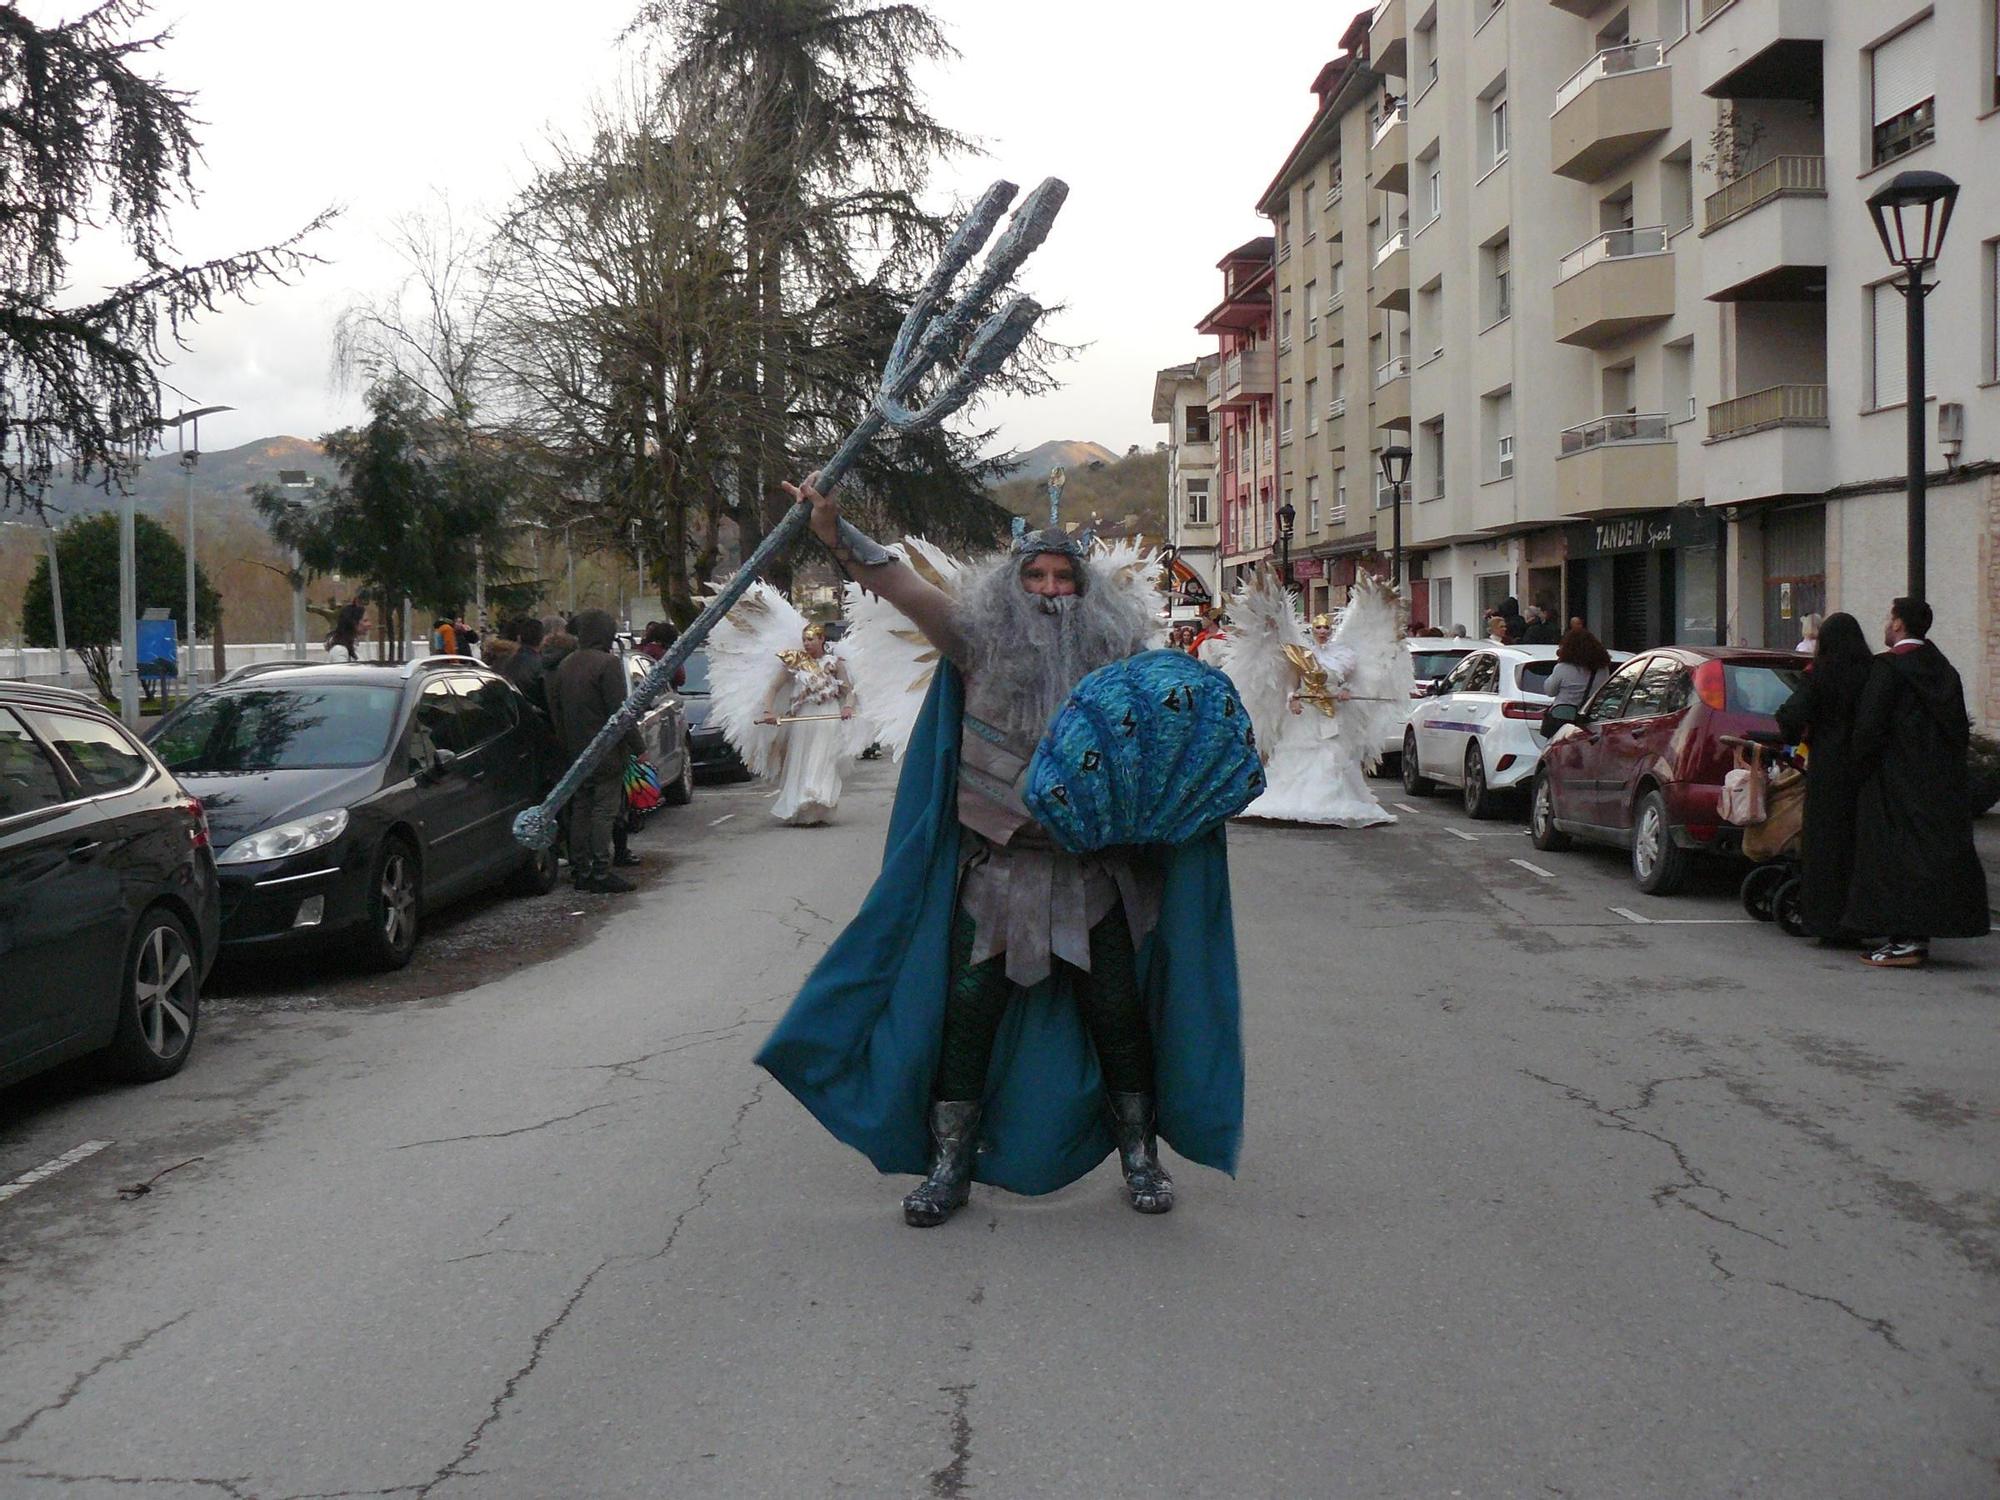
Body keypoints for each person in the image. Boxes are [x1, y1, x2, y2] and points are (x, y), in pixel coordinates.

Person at [755, 474, 1243, 1229]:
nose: (1051, 590)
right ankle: (950, 1167)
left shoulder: (1118, 659)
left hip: (1092, 875)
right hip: (997, 872)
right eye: (1037, 576)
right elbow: (902, 585)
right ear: (1011, 586)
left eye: (1064, 578)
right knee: (969, 1014)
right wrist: (833, 534)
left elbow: (1170, 735)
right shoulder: (974, 641)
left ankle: (1141, 1156)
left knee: (1116, 1013)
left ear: (1088, 592)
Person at [1841, 597, 1990, 967]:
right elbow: (1958, 730)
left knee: (1892, 861)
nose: (1886, 624)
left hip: (1893, 783)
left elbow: (1869, 730)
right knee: (1927, 858)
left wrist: (1858, 771)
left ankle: (1904, 940)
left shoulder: (1889, 670)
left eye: (1889, 617)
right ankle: (1916, 937)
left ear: (1898, 625)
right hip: (1938, 784)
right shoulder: (1944, 670)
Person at [1225, 585, 1406, 827]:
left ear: (1331, 631)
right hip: (1305, 713)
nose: (1322, 631)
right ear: (1312, 629)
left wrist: (1345, 693)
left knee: (1332, 754)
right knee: (1299, 754)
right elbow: (1292, 682)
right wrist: (1292, 698)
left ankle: (1330, 800)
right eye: (1318, 627)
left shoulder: (1343, 655)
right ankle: (1296, 800)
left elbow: (1348, 683)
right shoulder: (1302, 653)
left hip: (1332, 712)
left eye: (1326, 628)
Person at [1771, 612, 1873, 944]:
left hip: (1829, 768)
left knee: (1826, 846)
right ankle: (1862, 920)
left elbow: (1792, 714)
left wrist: (1796, 735)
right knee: (1859, 847)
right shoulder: (1873, 674)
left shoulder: (1822, 675)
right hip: (1866, 769)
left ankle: (1827, 922)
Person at [546, 608, 643, 895]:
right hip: (606, 752)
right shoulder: (607, 665)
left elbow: (557, 713)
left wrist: (567, 745)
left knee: (581, 809)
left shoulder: (565, 665)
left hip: (576, 751)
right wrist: (639, 747)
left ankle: (581, 869)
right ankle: (601, 870)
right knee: (604, 811)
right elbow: (620, 713)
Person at [752, 623, 857, 825]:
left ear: (822, 639)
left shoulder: (835, 663)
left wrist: (848, 707)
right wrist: (768, 711)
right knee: (802, 758)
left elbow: (848, 691)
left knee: (823, 758)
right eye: (805, 640)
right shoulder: (795, 662)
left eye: (811, 639)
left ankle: (818, 798)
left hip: (828, 714)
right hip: (804, 716)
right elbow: (773, 688)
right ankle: (801, 803)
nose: (807, 643)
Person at [1544, 625, 1613, 711]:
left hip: (1564, 716)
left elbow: (1550, 691)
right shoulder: (1602, 669)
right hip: (1590, 714)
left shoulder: (1563, 668)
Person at [499, 615, 550, 715]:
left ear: (519, 638)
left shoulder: (504, 662)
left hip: (509, 716)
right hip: (535, 718)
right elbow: (547, 698)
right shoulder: (541, 665)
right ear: (543, 639)